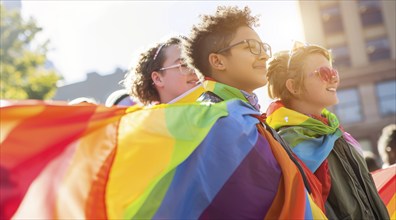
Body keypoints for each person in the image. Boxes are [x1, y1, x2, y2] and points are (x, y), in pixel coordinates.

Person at [183, 6, 327, 219]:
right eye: (250, 47)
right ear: (218, 61)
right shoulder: (215, 119)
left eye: (263, 47)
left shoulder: (246, 116)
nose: (263, 56)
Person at [265, 41, 389, 219]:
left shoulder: (334, 132)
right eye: (324, 73)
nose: (334, 79)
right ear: (294, 86)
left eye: (333, 72)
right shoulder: (286, 145)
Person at [123, 36, 202, 105]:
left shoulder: (213, 112)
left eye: (197, 65)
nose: (195, 71)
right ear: (158, 79)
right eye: (184, 65)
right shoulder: (150, 121)